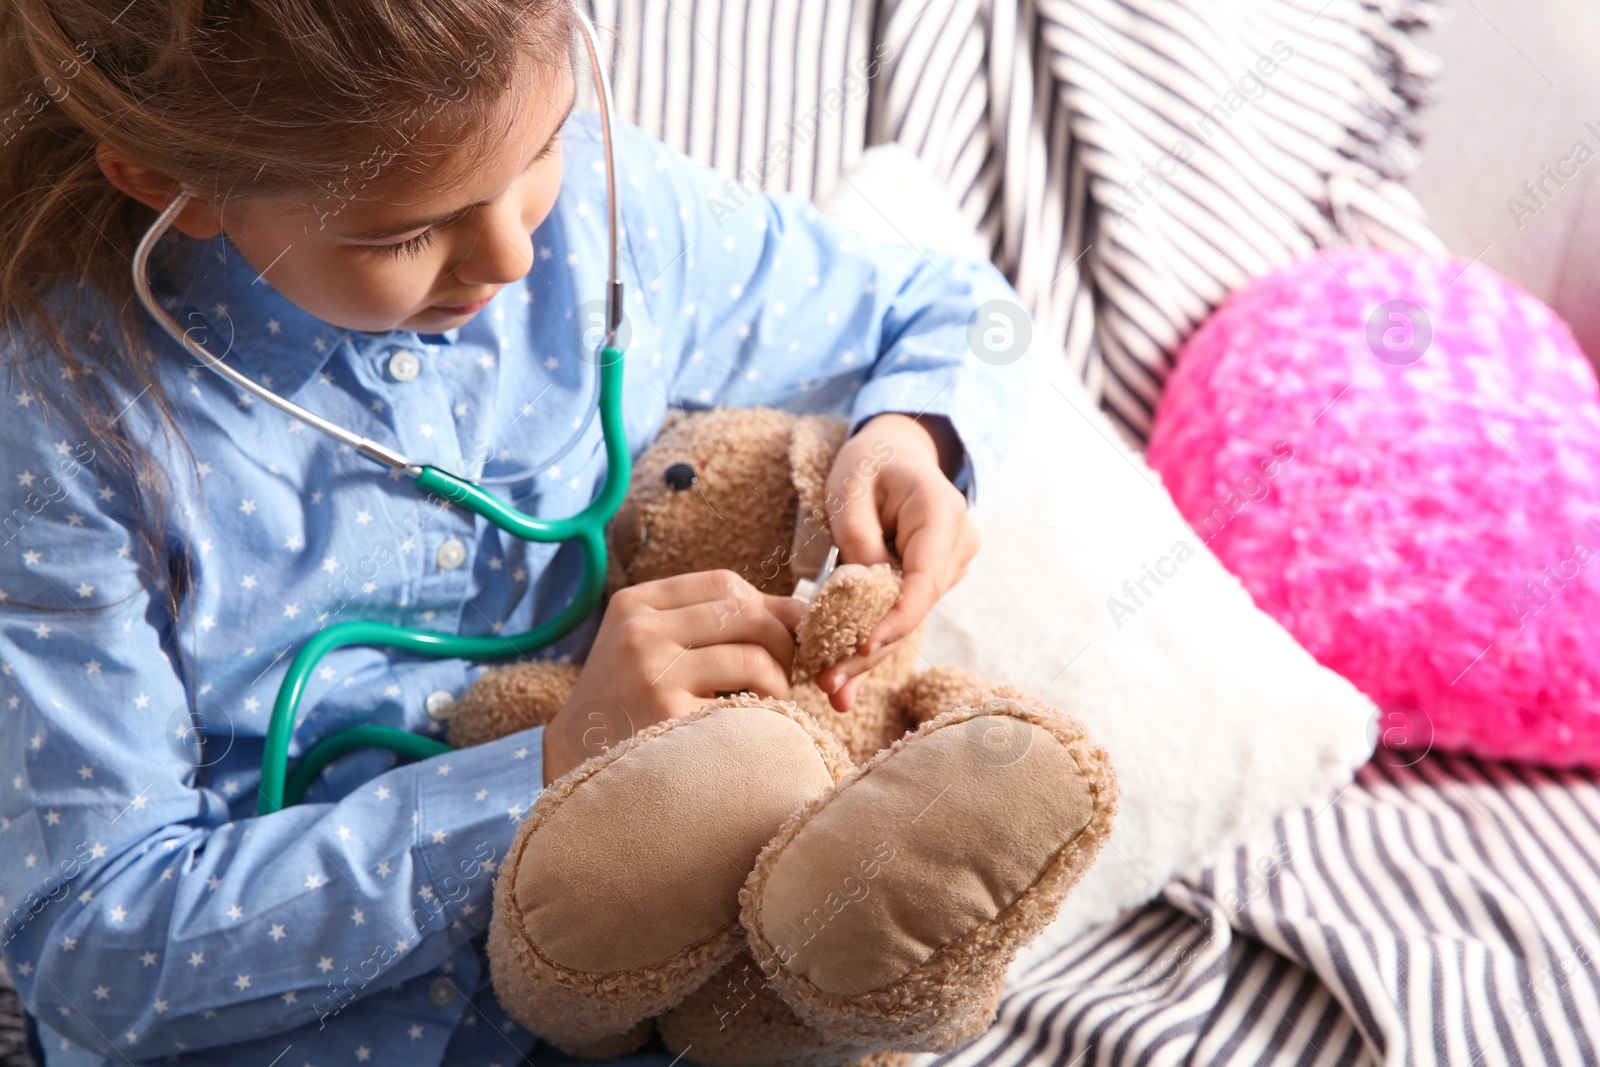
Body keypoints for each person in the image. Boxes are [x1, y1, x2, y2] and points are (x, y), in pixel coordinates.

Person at [0, 1, 1027, 1063]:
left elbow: (959, 309)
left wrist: (906, 438)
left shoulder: (610, 213)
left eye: (540, 148)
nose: (512, 255)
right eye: (403, 232)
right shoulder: (59, 440)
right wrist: (551, 761)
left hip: (660, 996)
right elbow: (92, 954)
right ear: (172, 189)